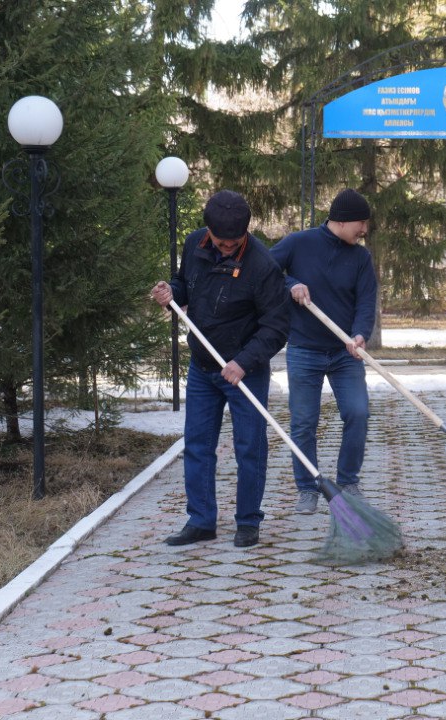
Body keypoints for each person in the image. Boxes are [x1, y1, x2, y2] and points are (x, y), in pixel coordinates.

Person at [151, 190, 290, 549]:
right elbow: (186, 287)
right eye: (220, 242)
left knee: (249, 447)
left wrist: (243, 362)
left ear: (244, 234)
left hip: (244, 370)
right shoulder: (195, 243)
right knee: (198, 445)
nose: (226, 248)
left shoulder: (262, 266)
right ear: (208, 232)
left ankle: (247, 522)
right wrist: (171, 292)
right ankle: (201, 521)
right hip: (202, 367)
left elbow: (276, 327)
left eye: (233, 244)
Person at [269, 188, 378, 514]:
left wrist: (359, 335)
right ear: (342, 221)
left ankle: (348, 480)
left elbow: (366, 302)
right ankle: (308, 487)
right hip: (304, 349)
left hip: (345, 353)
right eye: (361, 223)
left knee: (358, 413)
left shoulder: (361, 258)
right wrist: (291, 285)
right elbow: (265, 271)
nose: (364, 230)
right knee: (304, 422)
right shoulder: (298, 243)